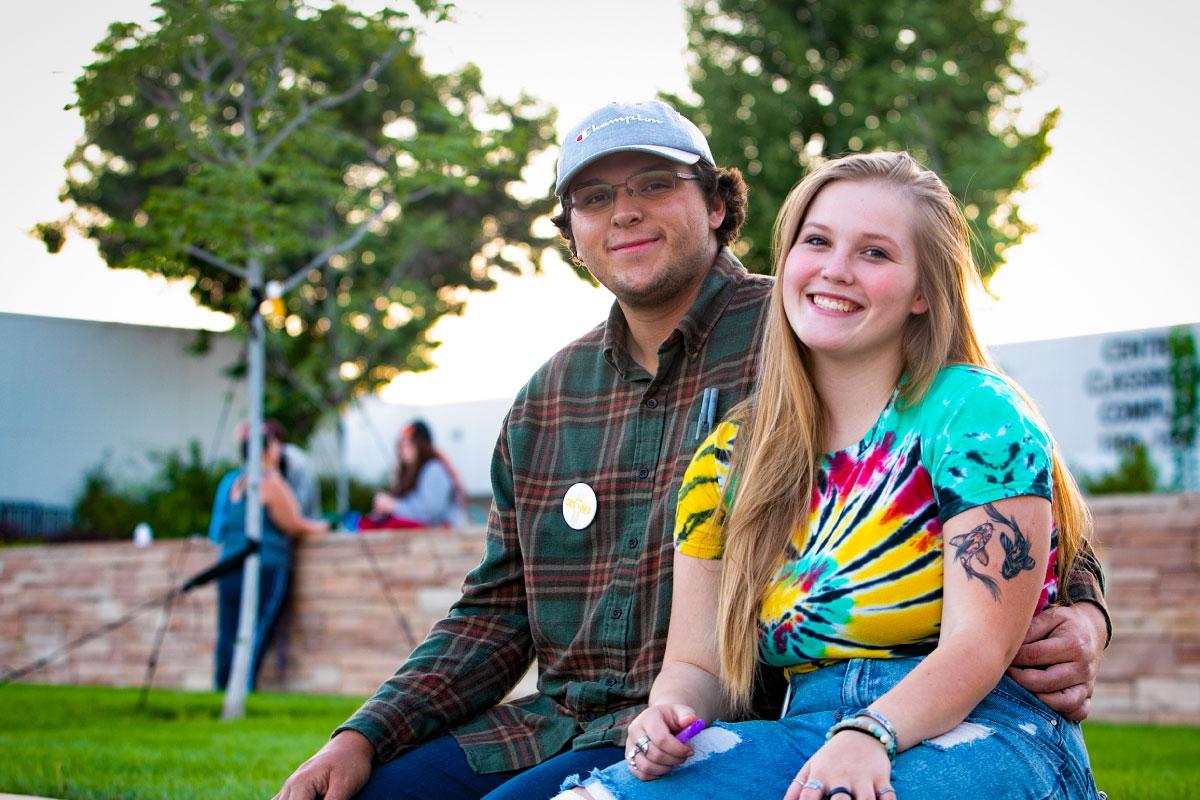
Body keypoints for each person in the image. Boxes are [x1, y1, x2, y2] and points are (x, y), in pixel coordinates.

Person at [275, 101, 1109, 800]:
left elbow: (1018, 527)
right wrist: (367, 733)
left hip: (813, 720)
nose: (624, 211)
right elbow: (497, 609)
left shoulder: (820, 337)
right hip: (595, 723)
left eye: (652, 184)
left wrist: (1086, 614)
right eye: (595, 198)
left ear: (716, 204)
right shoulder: (559, 399)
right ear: (571, 232)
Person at [556, 152, 1100, 800]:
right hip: (806, 729)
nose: (835, 269)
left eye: (875, 253)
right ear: (787, 261)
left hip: (988, 727)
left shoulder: (974, 415)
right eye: (816, 242)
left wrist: (872, 732)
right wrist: (669, 713)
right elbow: (696, 665)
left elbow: (978, 647)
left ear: (924, 291)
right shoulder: (726, 460)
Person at [210, 419, 329, 691]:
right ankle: (242, 686)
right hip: (265, 565)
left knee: (228, 631)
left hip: (229, 564)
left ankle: (222, 686)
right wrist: (324, 526)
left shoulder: (236, 482)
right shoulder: (269, 481)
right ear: (267, 450)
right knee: (256, 630)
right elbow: (294, 523)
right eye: (274, 444)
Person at [361, 420, 465, 530]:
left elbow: (429, 513)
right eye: (401, 444)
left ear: (421, 444)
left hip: (439, 541)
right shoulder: (410, 472)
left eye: (409, 443)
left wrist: (393, 506)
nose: (404, 449)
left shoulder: (434, 469)